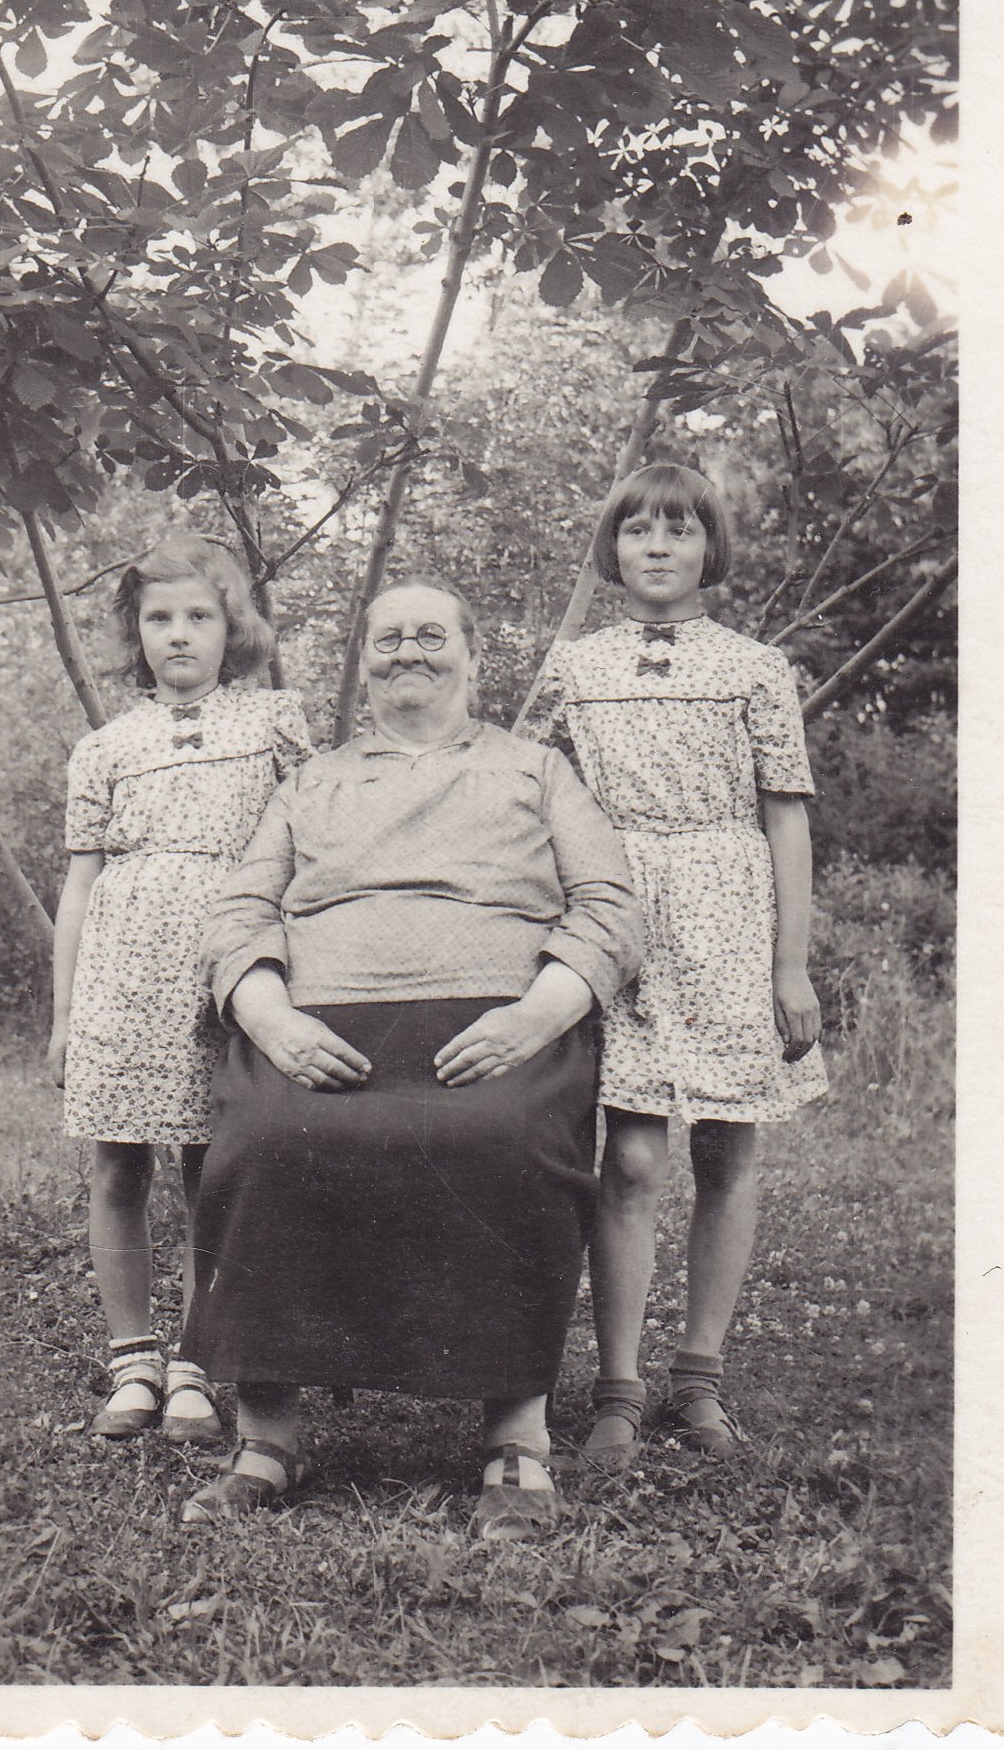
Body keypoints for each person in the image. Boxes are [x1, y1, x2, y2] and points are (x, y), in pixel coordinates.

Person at [179, 578, 644, 1539]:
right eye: (387, 638)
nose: (409, 653)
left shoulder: (537, 770)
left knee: (505, 1137)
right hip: (322, 1026)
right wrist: (270, 1020)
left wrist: (537, 1015)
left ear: (474, 656)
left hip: (496, 1023)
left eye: (432, 635)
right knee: (265, 1136)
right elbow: (238, 913)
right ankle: (267, 1434)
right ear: (363, 664)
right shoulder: (312, 781)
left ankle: (516, 1434)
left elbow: (609, 906)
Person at [521, 463, 825, 1462]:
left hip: (729, 908)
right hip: (617, 911)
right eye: (638, 529)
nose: (657, 546)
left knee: (728, 1149)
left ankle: (698, 1378)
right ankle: (616, 1384)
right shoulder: (574, 664)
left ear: (710, 547)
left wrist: (790, 965)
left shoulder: (754, 667)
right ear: (611, 548)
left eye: (679, 529)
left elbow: (784, 814)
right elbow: (519, 790)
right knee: (634, 1156)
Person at [47, 534, 313, 1445]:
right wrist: (65, 1016)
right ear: (136, 633)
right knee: (120, 1160)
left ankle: (200, 1366)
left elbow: (306, 857)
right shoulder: (105, 748)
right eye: (158, 619)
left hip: (225, 970)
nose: (179, 636)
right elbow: (80, 888)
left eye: (198, 616)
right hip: (122, 973)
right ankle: (133, 1360)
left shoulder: (274, 725)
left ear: (232, 625)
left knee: (217, 1167)